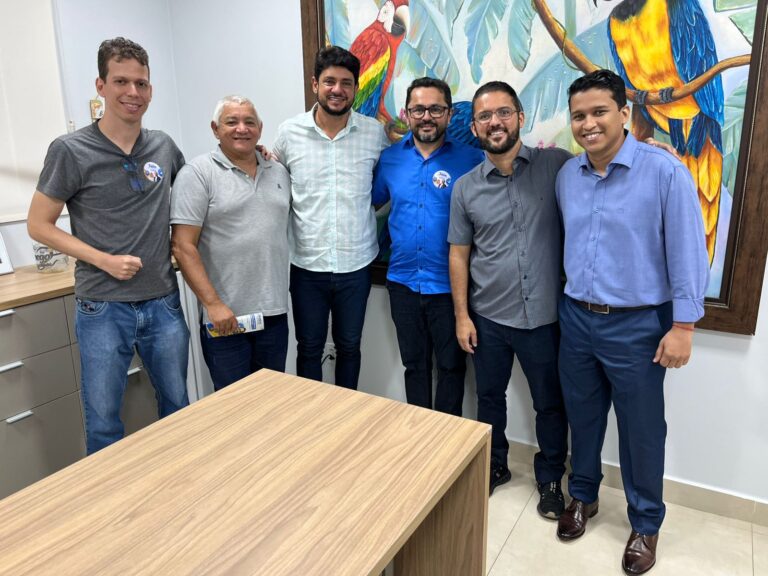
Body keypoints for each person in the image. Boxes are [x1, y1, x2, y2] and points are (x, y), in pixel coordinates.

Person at [555, 69, 709, 575]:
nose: (588, 124)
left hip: (638, 326)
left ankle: (645, 523)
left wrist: (683, 327)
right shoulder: (568, 176)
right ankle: (582, 496)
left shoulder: (663, 172)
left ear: (624, 113)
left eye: (599, 111)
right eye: (579, 115)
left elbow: (688, 250)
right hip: (577, 318)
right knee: (583, 417)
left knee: (642, 430)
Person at [28, 37, 189, 454]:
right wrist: (103, 260)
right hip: (102, 306)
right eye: (121, 81)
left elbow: (196, 194)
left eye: (141, 83)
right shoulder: (70, 150)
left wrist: (253, 156)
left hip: (163, 302)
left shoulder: (163, 146)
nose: (132, 92)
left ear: (150, 89)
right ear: (100, 86)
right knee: (103, 422)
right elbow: (38, 225)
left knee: (179, 409)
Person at [447, 81, 571, 514]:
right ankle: (495, 465)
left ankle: (550, 477)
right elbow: (459, 254)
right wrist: (462, 316)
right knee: (488, 399)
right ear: (474, 127)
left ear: (520, 117)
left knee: (550, 404)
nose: (494, 122)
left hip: (545, 318)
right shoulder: (465, 188)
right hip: (488, 319)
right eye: (484, 116)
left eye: (503, 112)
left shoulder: (558, 166)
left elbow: (602, 171)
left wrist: (650, 153)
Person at [273, 46, 389, 390]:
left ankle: (346, 413)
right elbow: (271, 180)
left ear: (355, 88)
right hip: (307, 266)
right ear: (315, 84)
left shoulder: (374, 134)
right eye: (329, 82)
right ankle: (312, 416)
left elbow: (386, 183)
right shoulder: (289, 133)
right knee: (308, 348)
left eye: (346, 83)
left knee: (350, 347)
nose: (337, 90)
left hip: (356, 265)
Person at [371, 77, 484, 415]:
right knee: (414, 366)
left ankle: (448, 439)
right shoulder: (390, 159)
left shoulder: (473, 159)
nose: (426, 117)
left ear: (449, 114)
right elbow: (371, 202)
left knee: (452, 368)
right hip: (402, 284)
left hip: (452, 288)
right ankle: (418, 435)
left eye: (435, 109)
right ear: (407, 114)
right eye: (418, 109)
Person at [170, 96, 291, 390]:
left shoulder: (278, 171)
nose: (242, 129)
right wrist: (213, 304)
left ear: (260, 128)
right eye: (231, 122)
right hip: (226, 318)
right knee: (233, 406)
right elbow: (182, 246)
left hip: (274, 314)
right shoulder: (197, 173)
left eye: (249, 122)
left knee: (272, 400)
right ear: (215, 129)